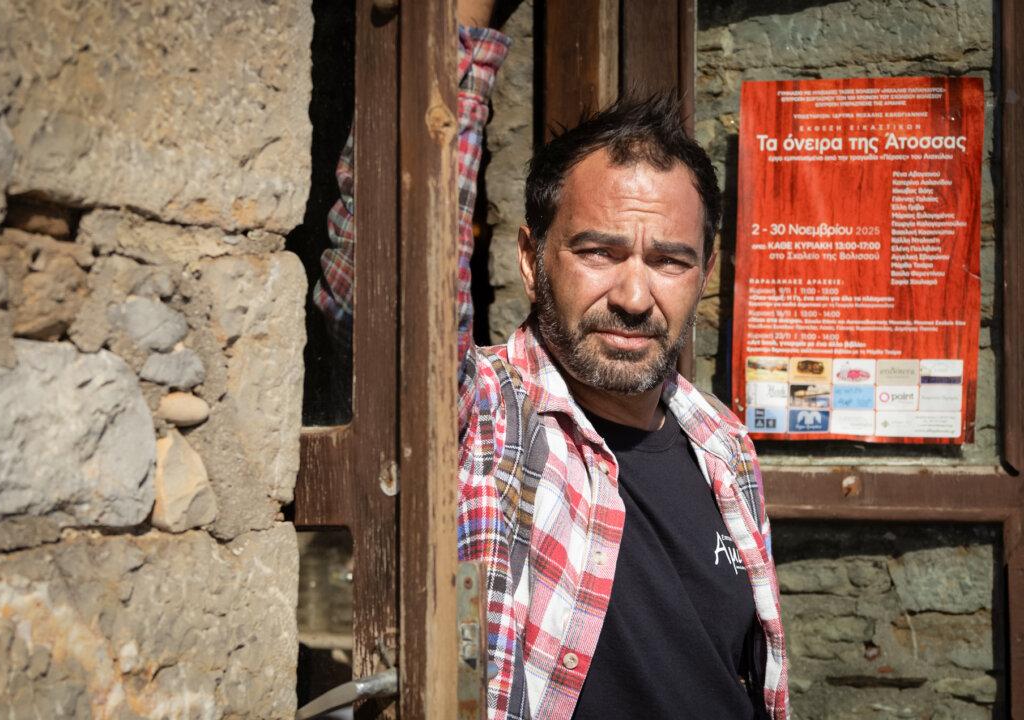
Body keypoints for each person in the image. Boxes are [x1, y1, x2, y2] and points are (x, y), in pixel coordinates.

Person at [313, 3, 789, 718]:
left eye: (669, 261)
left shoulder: (725, 447)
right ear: (533, 261)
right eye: (598, 252)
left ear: (706, 271)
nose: (634, 295)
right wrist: (457, 32)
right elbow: (375, 290)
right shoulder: (489, 418)